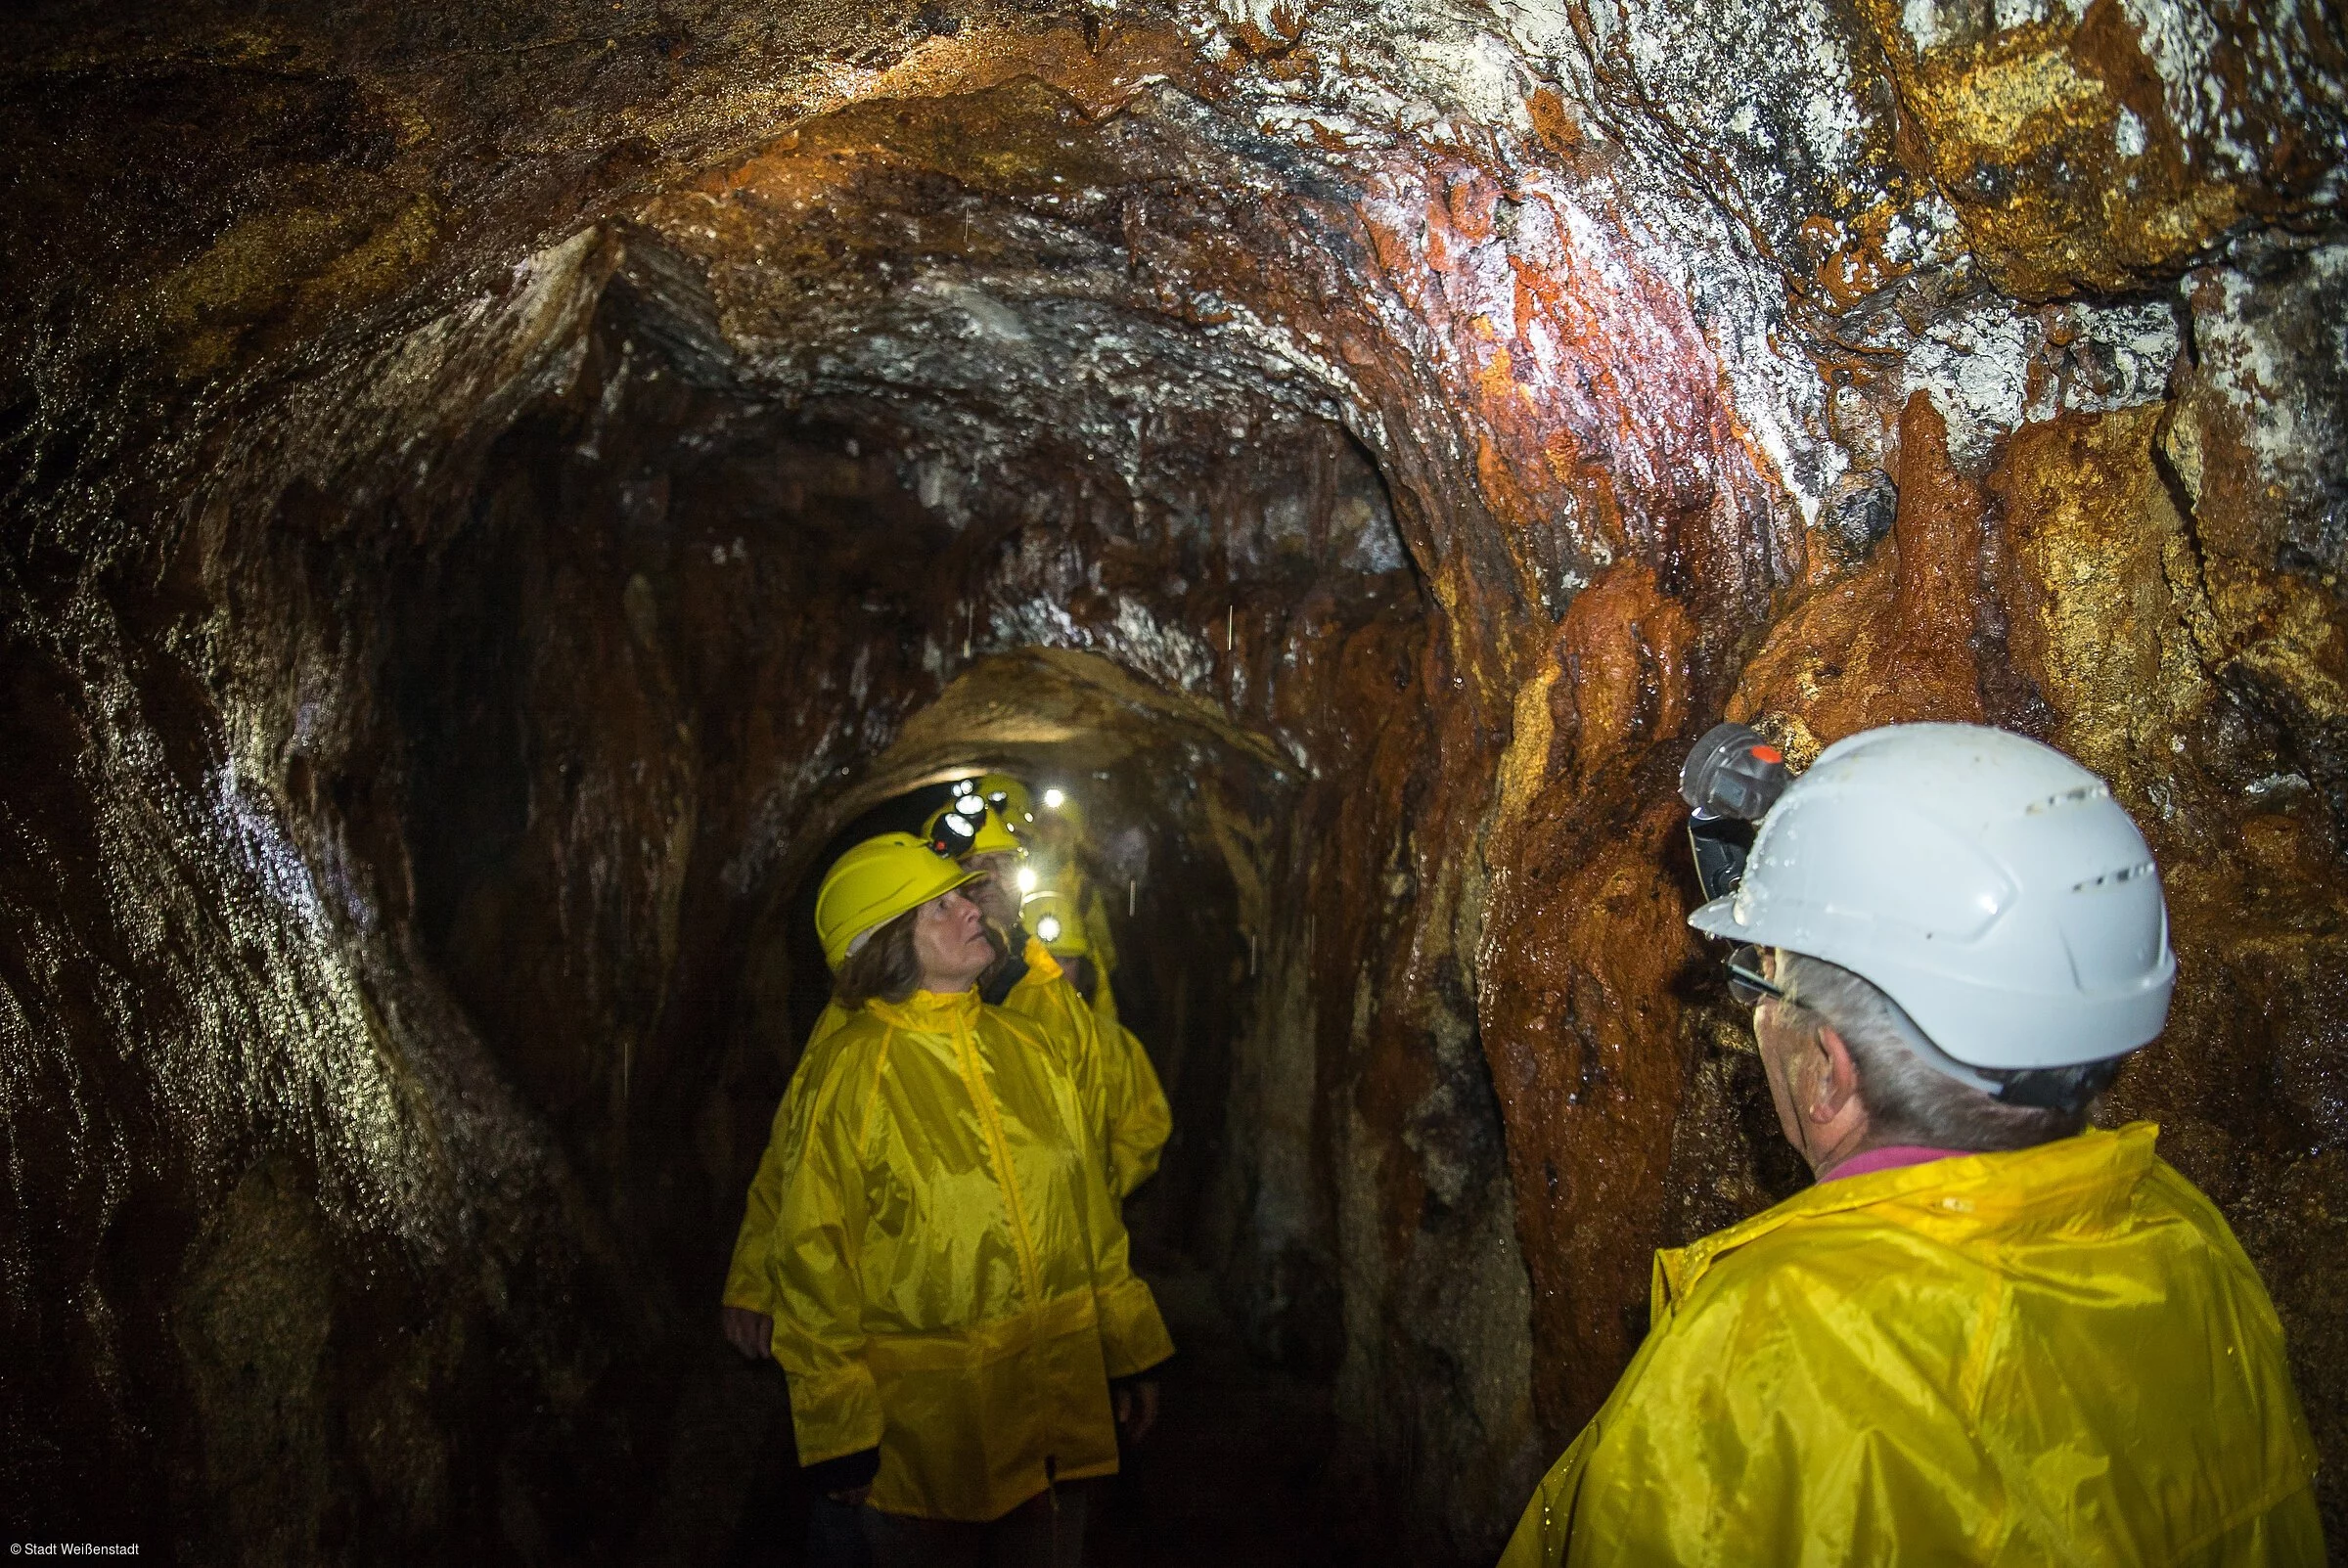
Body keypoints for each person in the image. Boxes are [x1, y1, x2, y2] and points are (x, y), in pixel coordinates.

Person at [1501, 722, 2322, 1565]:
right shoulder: (2189, 1248)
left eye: (1764, 979)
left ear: (1828, 1072)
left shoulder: (1763, 1360)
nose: (1757, 1008)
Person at [739, 832, 1172, 1566]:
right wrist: (839, 1430)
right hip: (927, 1455)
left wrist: (1128, 1352)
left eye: (962, 894)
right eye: (937, 905)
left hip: (1052, 1429)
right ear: (884, 943)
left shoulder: (1029, 1048)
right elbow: (813, 1258)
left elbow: (1090, 1218)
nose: (968, 908)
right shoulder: (852, 1072)